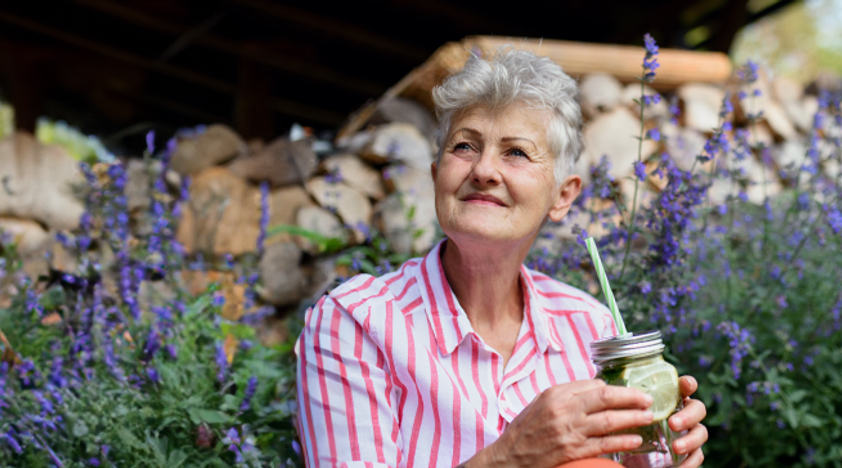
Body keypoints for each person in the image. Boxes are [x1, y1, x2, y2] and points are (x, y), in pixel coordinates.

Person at [293, 49, 709, 468]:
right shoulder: (354, 321)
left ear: (563, 196)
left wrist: (657, 456)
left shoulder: (590, 327)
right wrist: (511, 457)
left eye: (516, 152)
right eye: (465, 146)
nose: (484, 170)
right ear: (438, 177)